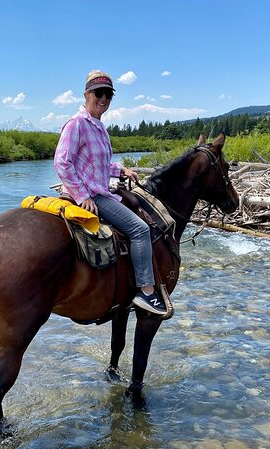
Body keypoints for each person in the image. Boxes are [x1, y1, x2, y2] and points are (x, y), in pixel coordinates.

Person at [54, 70, 167, 316]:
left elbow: (99, 165)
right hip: (91, 195)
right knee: (140, 229)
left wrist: (121, 169)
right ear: (86, 94)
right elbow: (62, 162)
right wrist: (83, 196)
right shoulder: (77, 124)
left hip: (98, 189)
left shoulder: (99, 127)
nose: (104, 98)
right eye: (99, 93)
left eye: (108, 94)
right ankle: (146, 292)